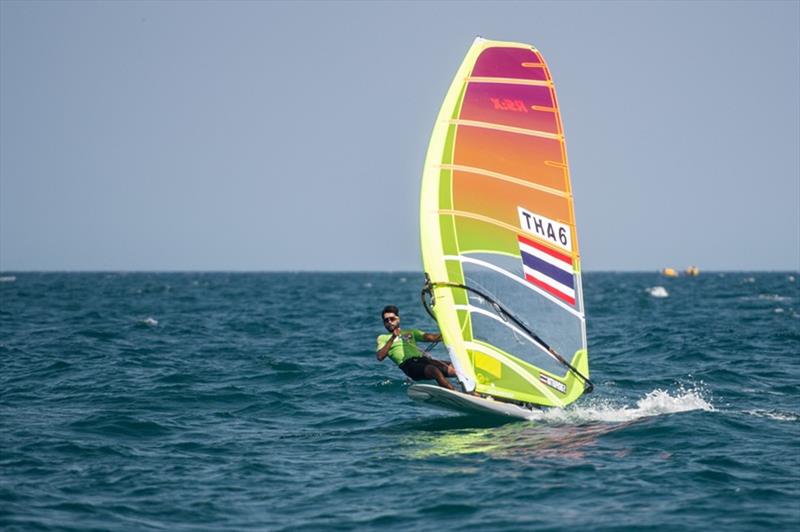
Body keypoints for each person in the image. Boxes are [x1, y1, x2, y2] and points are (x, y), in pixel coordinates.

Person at [375, 305, 457, 390]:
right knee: (433, 370)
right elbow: (380, 356)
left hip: (423, 360)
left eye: (392, 319)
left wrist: (451, 333)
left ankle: (469, 391)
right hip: (409, 366)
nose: (389, 322)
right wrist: (393, 337)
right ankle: (454, 392)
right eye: (386, 320)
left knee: (455, 368)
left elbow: (431, 338)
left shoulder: (411, 332)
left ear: (398, 319)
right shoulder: (382, 338)